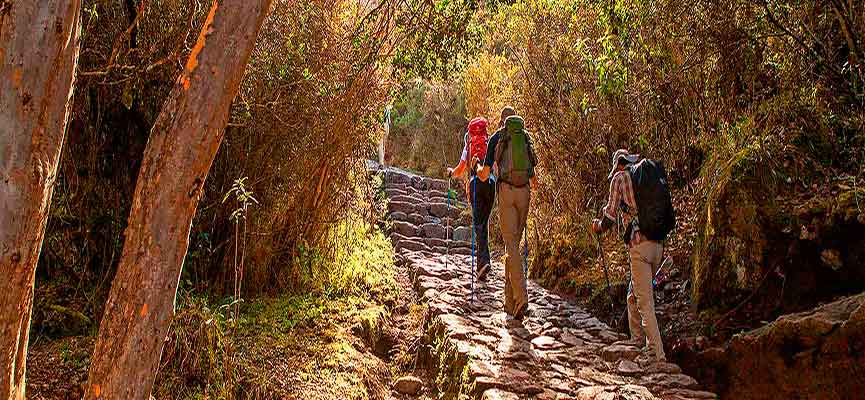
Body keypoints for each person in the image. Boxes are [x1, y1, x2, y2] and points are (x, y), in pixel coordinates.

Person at [591, 149, 667, 361]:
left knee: (645, 302)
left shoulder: (620, 178)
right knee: (634, 293)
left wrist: (598, 226)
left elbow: (609, 217)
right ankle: (636, 340)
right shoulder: (646, 176)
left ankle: (656, 352)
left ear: (618, 165)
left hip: (639, 244)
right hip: (658, 244)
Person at [476, 107, 539, 321]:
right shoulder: (525, 137)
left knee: (511, 245)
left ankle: (521, 297)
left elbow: (484, 176)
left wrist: (476, 167)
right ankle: (509, 302)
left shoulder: (497, 138)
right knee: (512, 246)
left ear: (502, 121)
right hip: (525, 194)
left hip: (506, 192)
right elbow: (535, 180)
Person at [448, 117, 495, 280]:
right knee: (484, 223)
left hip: (475, 184)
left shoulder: (469, 146)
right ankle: (483, 264)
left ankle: (483, 263)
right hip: (490, 184)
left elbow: (461, 169)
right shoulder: (490, 143)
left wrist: (451, 172)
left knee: (478, 224)